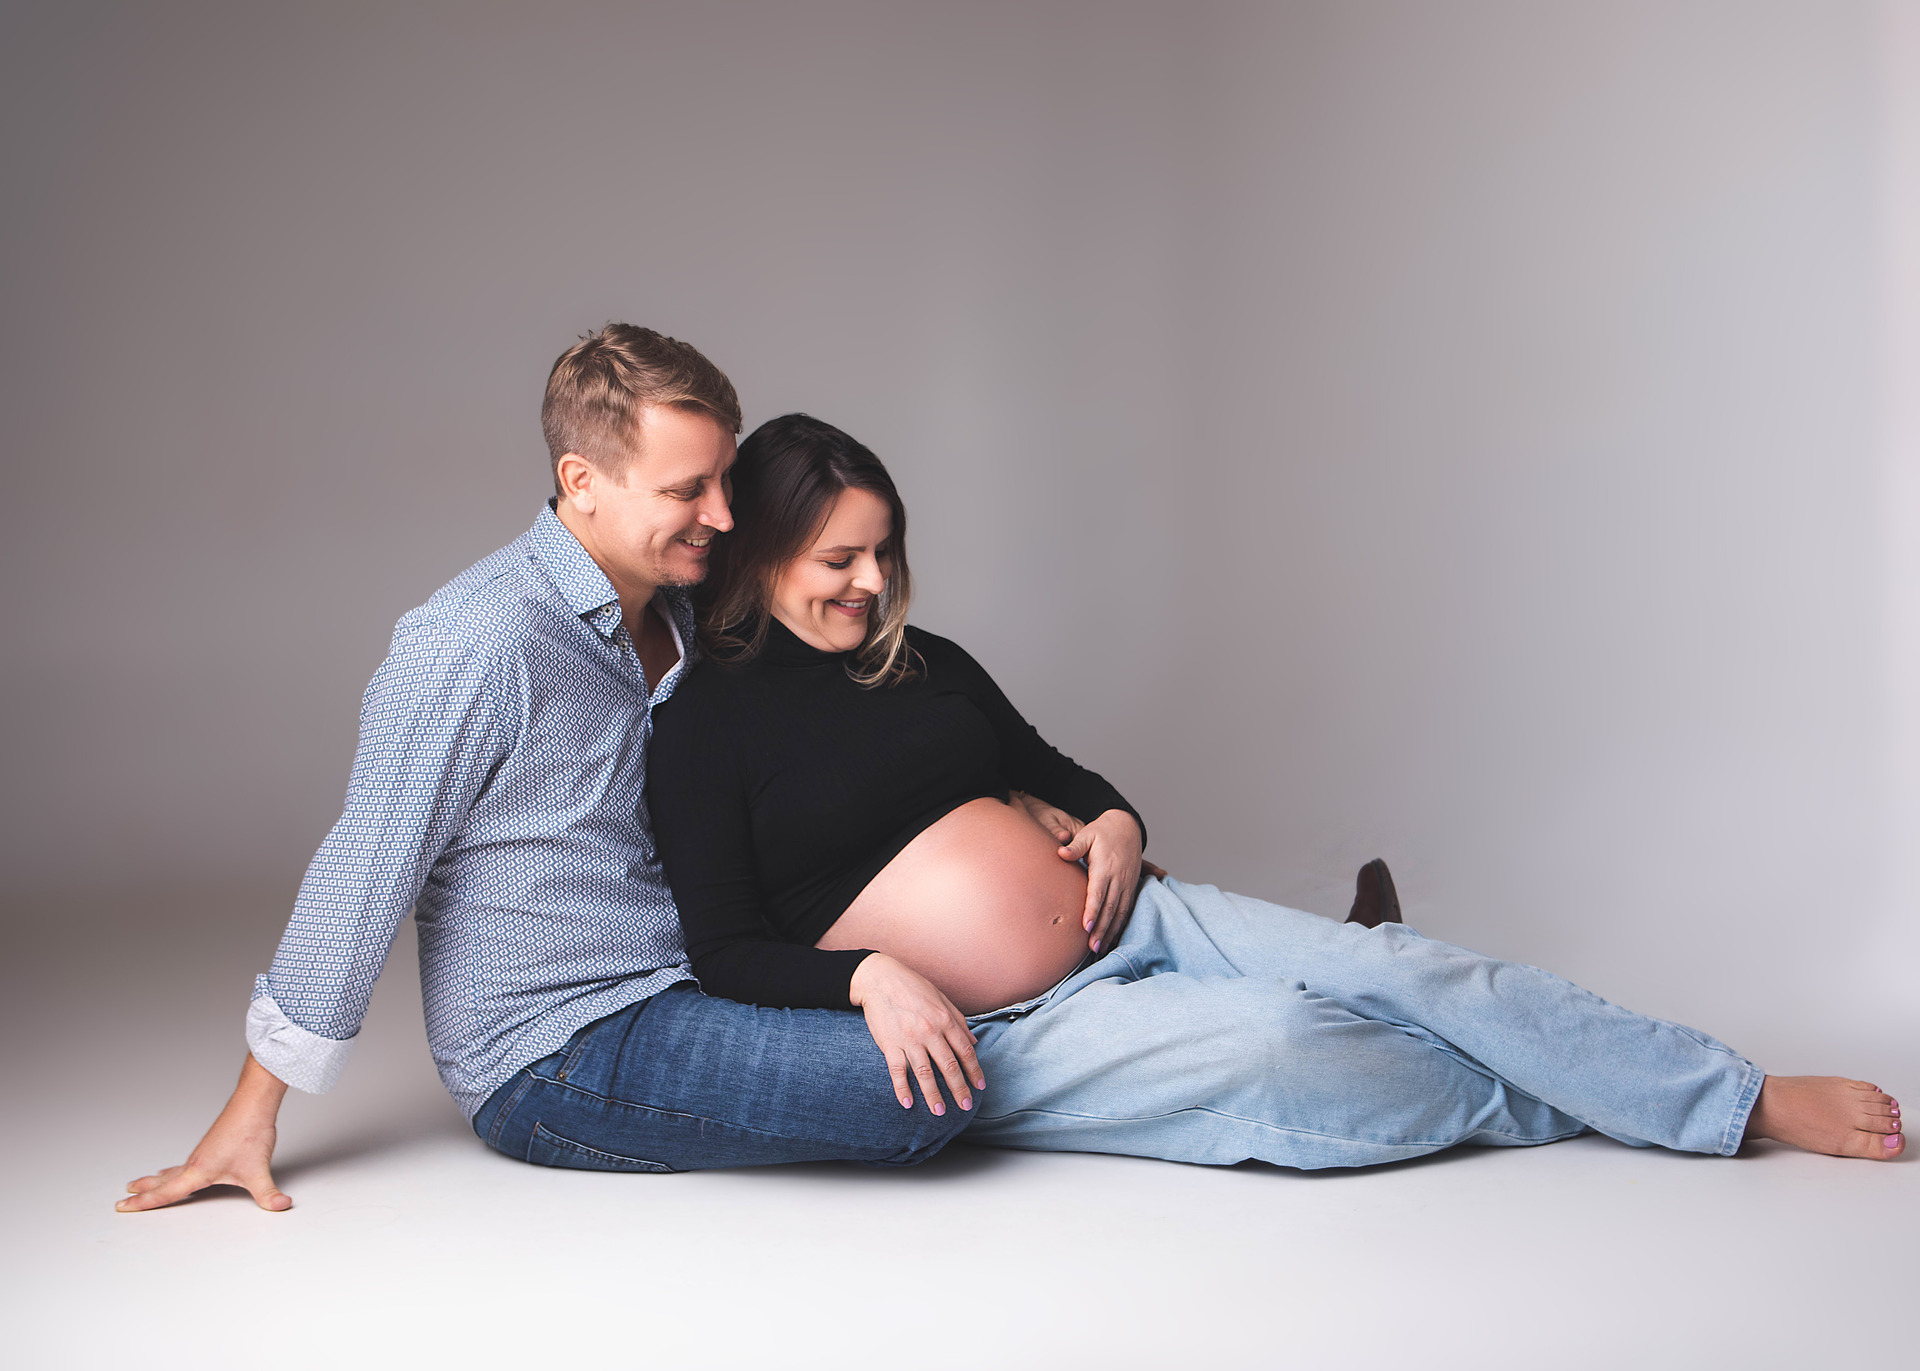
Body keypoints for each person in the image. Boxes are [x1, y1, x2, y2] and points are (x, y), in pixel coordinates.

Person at [646, 412, 1905, 1169]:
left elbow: (1056, 773)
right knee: (1288, 1050)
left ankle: (1733, 1098)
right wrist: (866, 975)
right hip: (1019, 1029)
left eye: (883, 552)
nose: (869, 583)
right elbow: (725, 948)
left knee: (1418, 978)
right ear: (759, 552)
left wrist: (1123, 822)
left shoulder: (919, 660)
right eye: (837, 558)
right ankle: (1603, 1098)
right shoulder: (702, 724)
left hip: (1134, 917)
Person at [118, 327, 981, 1214]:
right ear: (582, 482)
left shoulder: (689, 605)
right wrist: (250, 1110)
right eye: (688, 490)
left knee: (934, 1021)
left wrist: (1020, 797)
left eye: (724, 480)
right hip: (556, 1048)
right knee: (917, 1085)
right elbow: (364, 873)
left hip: (691, 980)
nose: (724, 516)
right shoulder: (479, 640)